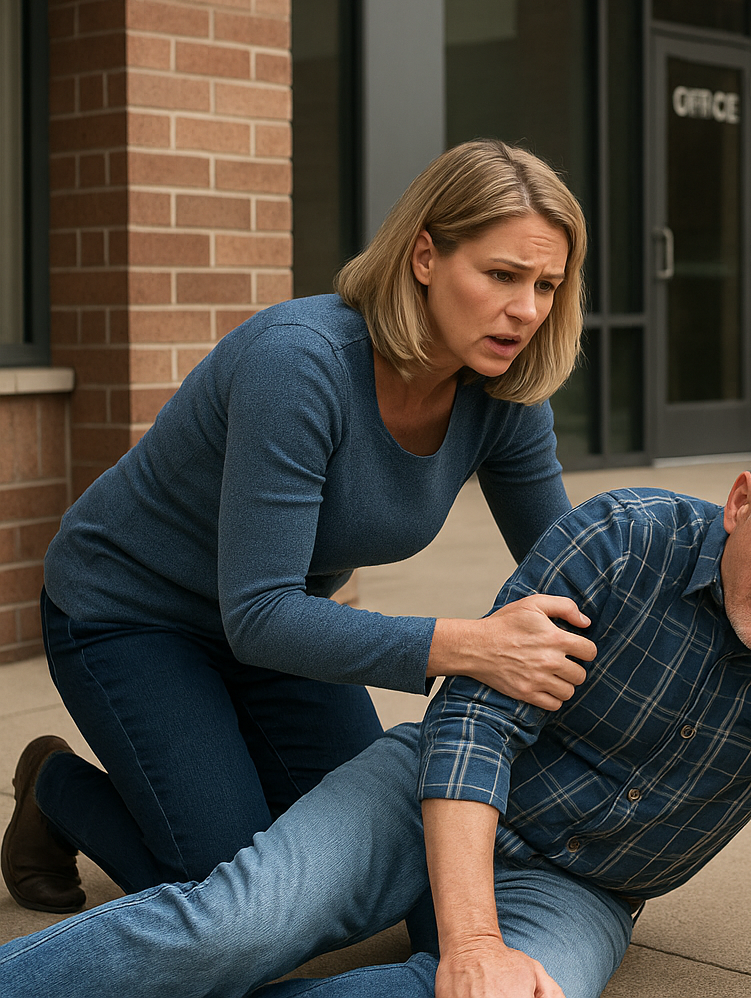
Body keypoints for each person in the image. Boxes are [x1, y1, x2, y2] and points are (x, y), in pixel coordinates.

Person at [0, 420, 751, 998]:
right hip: (428, 794)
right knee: (235, 925)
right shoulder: (626, 538)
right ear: (743, 501)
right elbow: (476, 720)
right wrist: (469, 938)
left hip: (585, 886)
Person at [2, 141, 601, 919]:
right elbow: (257, 614)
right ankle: (56, 789)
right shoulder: (303, 362)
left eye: (547, 284)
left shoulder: (506, 396)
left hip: (287, 628)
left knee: (374, 856)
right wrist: (471, 644)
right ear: (425, 255)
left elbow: (573, 573)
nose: (527, 309)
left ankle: (204, 770)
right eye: (501, 275)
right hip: (130, 613)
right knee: (232, 892)